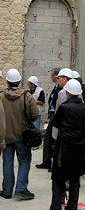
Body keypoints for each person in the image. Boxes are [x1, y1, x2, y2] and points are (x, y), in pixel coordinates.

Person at [49, 79, 85, 210]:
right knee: (75, 179)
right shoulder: (84, 108)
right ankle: (72, 205)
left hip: (64, 147)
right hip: (78, 148)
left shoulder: (64, 107)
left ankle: (56, 206)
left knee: (58, 179)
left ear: (68, 92)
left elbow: (55, 122)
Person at [0, 68, 39, 200]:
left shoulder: (1, 96)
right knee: (24, 161)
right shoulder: (26, 96)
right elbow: (35, 115)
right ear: (19, 81)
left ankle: (7, 190)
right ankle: (21, 188)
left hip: (6, 135)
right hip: (22, 135)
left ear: (7, 81)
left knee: (7, 162)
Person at [36, 68, 62, 170]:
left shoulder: (60, 88)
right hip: (52, 114)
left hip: (55, 115)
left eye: (52, 76)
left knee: (52, 138)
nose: (51, 77)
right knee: (49, 138)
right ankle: (47, 161)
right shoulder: (57, 87)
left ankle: (51, 162)